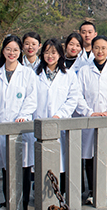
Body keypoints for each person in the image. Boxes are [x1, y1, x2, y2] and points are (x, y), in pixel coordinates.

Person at [0, 35, 38, 210]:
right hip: (1, 128)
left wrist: (23, 116)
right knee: (6, 168)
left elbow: (31, 99)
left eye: (15, 50)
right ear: (3, 51)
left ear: (20, 52)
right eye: (8, 49)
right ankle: (7, 201)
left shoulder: (28, 74)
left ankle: (22, 203)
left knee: (23, 168)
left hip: (21, 127)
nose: (12, 53)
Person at [75, 35, 107, 203]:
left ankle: (104, 190)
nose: (100, 51)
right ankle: (91, 191)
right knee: (90, 155)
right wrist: (89, 112)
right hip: (90, 118)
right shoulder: (84, 71)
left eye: (103, 48)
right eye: (96, 48)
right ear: (92, 49)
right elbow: (78, 95)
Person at [34, 39, 80, 192]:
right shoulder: (35, 74)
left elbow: (73, 99)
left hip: (60, 122)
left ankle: (61, 194)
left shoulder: (69, 75)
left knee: (61, 161)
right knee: (40, 161)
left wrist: (59, 115)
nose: (50, 56)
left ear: (60, 54)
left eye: (53, 52)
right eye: (47, 52)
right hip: (40, 121)